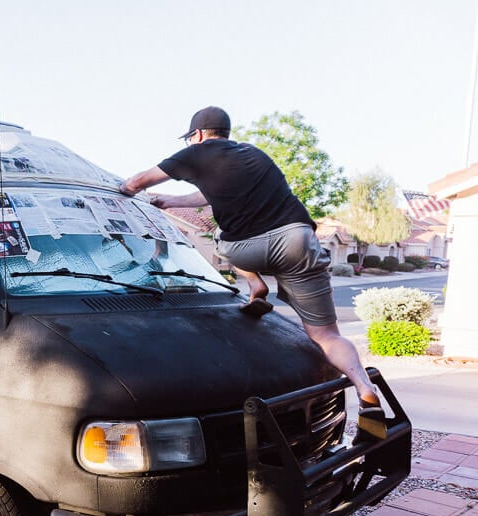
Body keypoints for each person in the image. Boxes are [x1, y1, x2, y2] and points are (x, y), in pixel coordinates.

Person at [118, 106, 385, 436]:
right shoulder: (254, 156)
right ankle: (364, 388)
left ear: (198, 134)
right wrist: (171, 202)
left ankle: (255, 285)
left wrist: (125, 192)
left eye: (190, 138)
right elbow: (208, 195)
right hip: (298, 239)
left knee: (221, 238)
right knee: (327, 336)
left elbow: (138, 181)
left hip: (249, 248)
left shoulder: (197, 153)